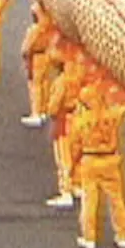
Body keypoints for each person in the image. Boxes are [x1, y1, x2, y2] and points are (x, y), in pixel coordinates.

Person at [70, 81, 125, 248]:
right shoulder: (112, 115)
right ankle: (122, 234)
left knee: (89, 201)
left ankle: (89, 237)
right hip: (111, 160)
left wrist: (74, 165)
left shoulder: (81, 121)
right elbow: (124, 107)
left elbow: (75, 145)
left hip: (90, 161)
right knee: (117, 199)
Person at [45, 39, 88, 209]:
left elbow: (53, 107)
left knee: (63, 157)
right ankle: (77, 184)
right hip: (78, 118)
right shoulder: (78, 78)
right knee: (77, 153)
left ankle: (66, 191)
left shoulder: (61, 82)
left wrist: (50, 110)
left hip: (64, 121)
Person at [20, 0, 59, 127]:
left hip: (36, 57)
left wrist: (25, 57)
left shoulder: (34, 30)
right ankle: (43, 110)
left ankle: (35, 112)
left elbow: (26, 48)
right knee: (44, 82)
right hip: (46, 56)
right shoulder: (48, 29)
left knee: (34, 84)